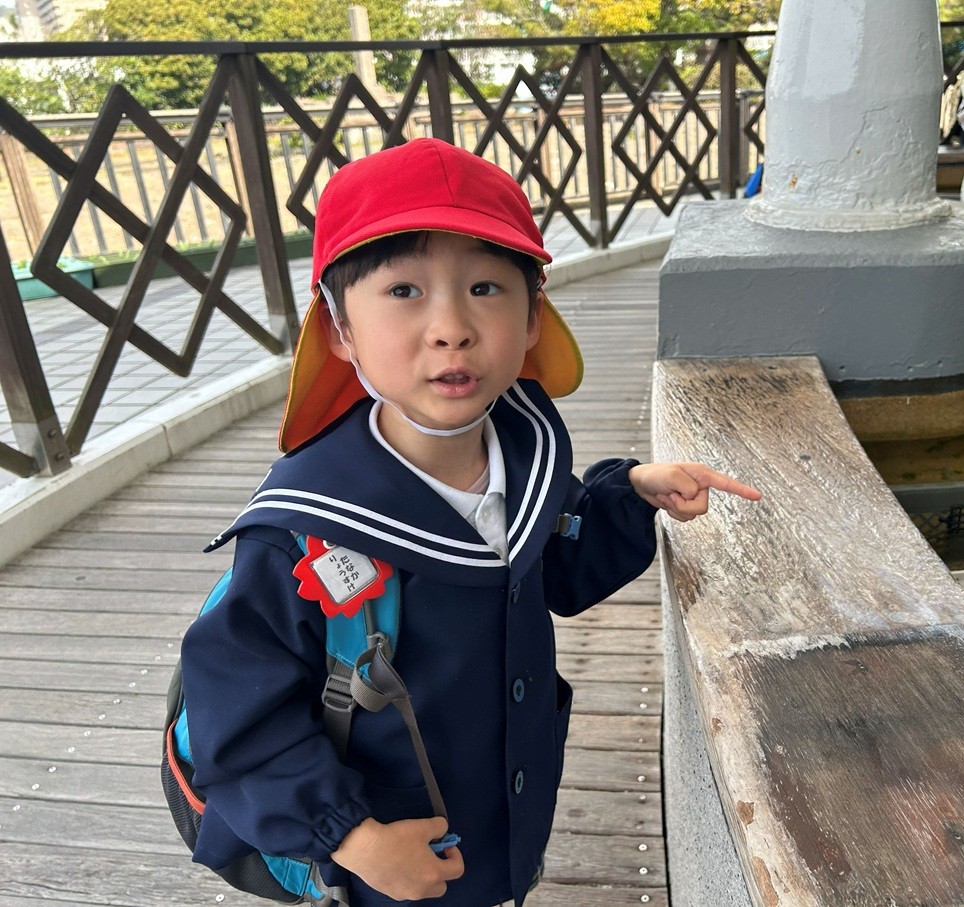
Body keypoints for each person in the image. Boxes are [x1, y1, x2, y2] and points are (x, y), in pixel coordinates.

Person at [180, 137, 760, 907]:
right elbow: (236, 718)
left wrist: (630, 495)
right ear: (339, 330)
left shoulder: (521, 454)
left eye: (485, 286)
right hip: (388, 859)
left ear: (533, 316)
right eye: (404, 290)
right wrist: (351, 838)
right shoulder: (302, 533)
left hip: (499, 821)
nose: (451, 326)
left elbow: (556, 562)